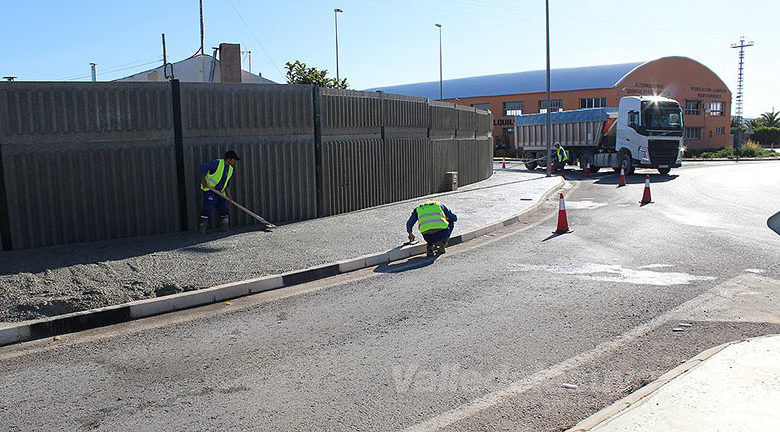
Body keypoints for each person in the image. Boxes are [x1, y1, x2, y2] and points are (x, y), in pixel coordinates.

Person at [199, 150, 240, 233]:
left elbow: (227, 183)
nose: (234, 161)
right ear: (229, 159)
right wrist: (204, 181)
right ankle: (203, 226)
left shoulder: (230, 169)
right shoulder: (217, 163)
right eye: (233, 159)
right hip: (210, 190)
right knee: (208, 208)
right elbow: (203, 167)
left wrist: (228, 195)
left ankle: (224, 226)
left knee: (224, 208)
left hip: (221, 192)